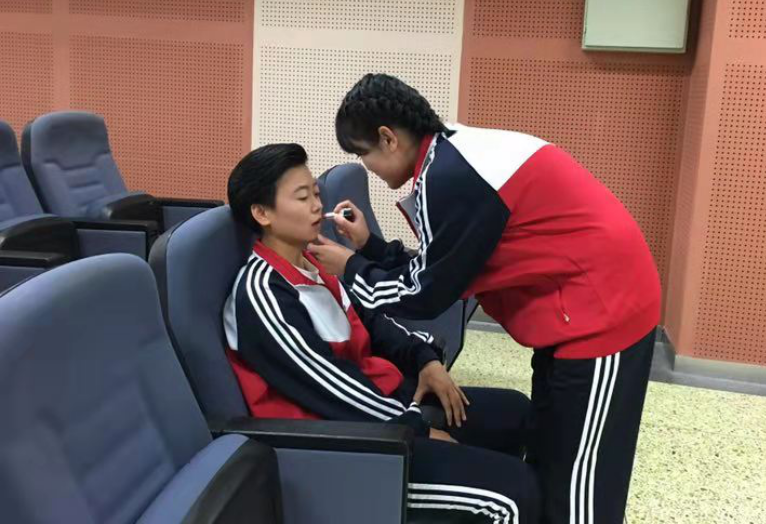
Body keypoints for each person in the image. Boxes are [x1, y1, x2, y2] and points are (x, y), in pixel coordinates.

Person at [307, 74, 660, 524]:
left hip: (603, 314)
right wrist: (371, 249)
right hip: (569, 313)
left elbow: (427, 294)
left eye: (364, 154)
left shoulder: (452, 176)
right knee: (553, 451)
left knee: (581, 483)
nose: (367, 167)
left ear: (388, 138)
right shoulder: (447, 155)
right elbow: (444, 264)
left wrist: (352, 268)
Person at [225, 143, 541, 524]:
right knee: (514, 495)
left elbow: (372, 322)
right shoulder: (262, 293)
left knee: (516, 413)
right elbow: (331, 387)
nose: (316, 206)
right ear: (262, 213)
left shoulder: (312, 263)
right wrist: (415, 427)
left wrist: (424, 360)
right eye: (302, 197)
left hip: (383, 406)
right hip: (346, 448)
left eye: (316, 194)